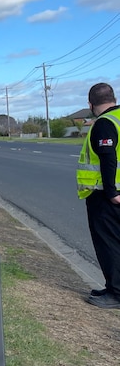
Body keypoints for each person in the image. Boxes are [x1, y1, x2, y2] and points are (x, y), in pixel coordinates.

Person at [77, 83, 120, 309]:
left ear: (90, 103)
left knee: (109, 244)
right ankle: (113, 286)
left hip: (106, 196)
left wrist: (112, 192)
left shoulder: (105, 123)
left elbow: (108, 158)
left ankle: (116, 293)